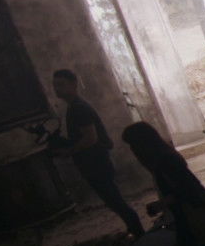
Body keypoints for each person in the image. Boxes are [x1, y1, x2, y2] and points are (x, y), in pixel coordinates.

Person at [49, 69, 144, 237]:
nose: (57, 89)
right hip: (93, 162)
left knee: (114, 200)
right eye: (55, 85)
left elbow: (91, 138)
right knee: (112, 200)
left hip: (96, 163)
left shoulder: (79, 108)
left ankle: (138, 231)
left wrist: (69, 151)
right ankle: (135, 229)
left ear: (74, 84)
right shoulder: (74, 107)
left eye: (61, 85)